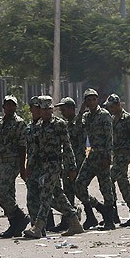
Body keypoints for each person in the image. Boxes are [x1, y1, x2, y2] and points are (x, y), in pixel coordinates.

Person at [23, 96, 84, 238]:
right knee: (57, 195)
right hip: (42, 166)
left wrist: (72, 167)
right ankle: (74, 219)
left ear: (51, 110)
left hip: (55, 164)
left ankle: (37, 227)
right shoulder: (38, 127)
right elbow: (35, 150)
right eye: (42, 110)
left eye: (47, 109)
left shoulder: (59, 125)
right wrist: (30, 166)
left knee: (45, 195)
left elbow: (67, 146)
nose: (45, 112)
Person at [0, 95, 30, 238]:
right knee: (8, 193)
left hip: (13, 162)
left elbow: (22, 146)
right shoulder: (0, 123)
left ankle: (20, 216)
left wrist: (22, 167)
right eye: (8, 105)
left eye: (13, 105)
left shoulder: (19, 123)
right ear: (3, 106)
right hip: (1, 162)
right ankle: (14, 224)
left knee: (1, 191)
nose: (10, 107)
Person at [74, 88, 116, 230]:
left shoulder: (104, 115)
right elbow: (76, 128)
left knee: (106, 188)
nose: (91, 102)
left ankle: (110, 220)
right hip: (92, 155)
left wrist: (108, 156)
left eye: (93, 99)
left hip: (102, 154)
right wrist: (80, 111)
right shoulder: (87, 116)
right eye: (88, 100)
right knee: (79, 185)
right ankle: (94, 212)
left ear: (97, 100)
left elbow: (109, 137)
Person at [104, 93, 130, 227]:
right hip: (116, 155)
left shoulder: (127, 118)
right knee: (123, 184)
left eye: (112, 106)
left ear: (118, 105)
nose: (110, 109)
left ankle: (111, 213)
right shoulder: (112, 118)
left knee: (109, 180)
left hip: (124, 154)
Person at [52, 96, 85, 232]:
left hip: (76, 162)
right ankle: (68, 220)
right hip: (67, 162)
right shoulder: (66, 124)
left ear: (72, 109)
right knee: (67, 193)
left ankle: (98, 210)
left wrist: (72, 166)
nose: (62, 112)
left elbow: (75, 143)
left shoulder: (78, 123)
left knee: (79, 191)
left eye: (64, 109)